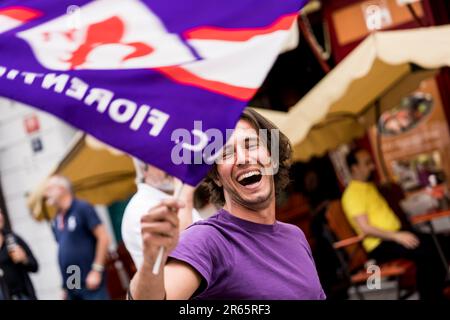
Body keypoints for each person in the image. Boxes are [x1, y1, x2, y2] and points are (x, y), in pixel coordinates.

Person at [128, 108, 326, 300]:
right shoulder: (207, 240)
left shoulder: (295, 236)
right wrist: (150, 261)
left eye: (250, 145)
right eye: (226, 153)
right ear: (216, 177)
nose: (242, 159)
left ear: (271, 158)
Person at [342, 148, 449, 300]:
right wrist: (396, 236)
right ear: (354, 168)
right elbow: (365, 228)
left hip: (395, 236)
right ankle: (430, 296)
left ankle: (435, 292)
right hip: (381, 244)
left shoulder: (369, 186)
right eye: (367, 163)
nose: (372, 166)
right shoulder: (352, 193)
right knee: (428, 254)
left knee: (442, 242)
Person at [122, 160, 202, 267]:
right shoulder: (140, 208)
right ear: (143, 169)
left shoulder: (170, 196)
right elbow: (182, 254)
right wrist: (185, 194)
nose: (173, 163)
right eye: (162, 158)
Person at [44, 176, 111, 300]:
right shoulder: (57, 218)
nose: (45, 193)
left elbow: (104, 238)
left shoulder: (82, 208)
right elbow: (67, 251)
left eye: (49, 189)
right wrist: (65, 287)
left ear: (62, 189)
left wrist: (97, 270)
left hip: (90, 281)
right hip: (73, 283)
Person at [0, 209, 38, 300]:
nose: (0, 216)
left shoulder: (12, 238)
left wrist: (24, 259)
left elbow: (34, 266)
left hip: (23, 296)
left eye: (1, 213)